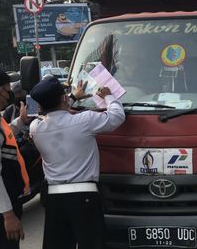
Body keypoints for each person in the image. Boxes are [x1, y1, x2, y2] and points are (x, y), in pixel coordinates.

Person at [29, 76, 125, 249]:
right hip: (85, 197)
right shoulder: (85, 120)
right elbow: (117, 116)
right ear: (63, 98)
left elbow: (50, 115)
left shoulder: (36, 128)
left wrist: (71, 98)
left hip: (54, 199)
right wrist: (109, 96)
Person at [0, 67, 29, 249]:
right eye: (8, 87)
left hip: (3, 205)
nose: (11, 92)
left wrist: (20, 121)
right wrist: (8, 215)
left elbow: (4, 135)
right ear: (0, 90)